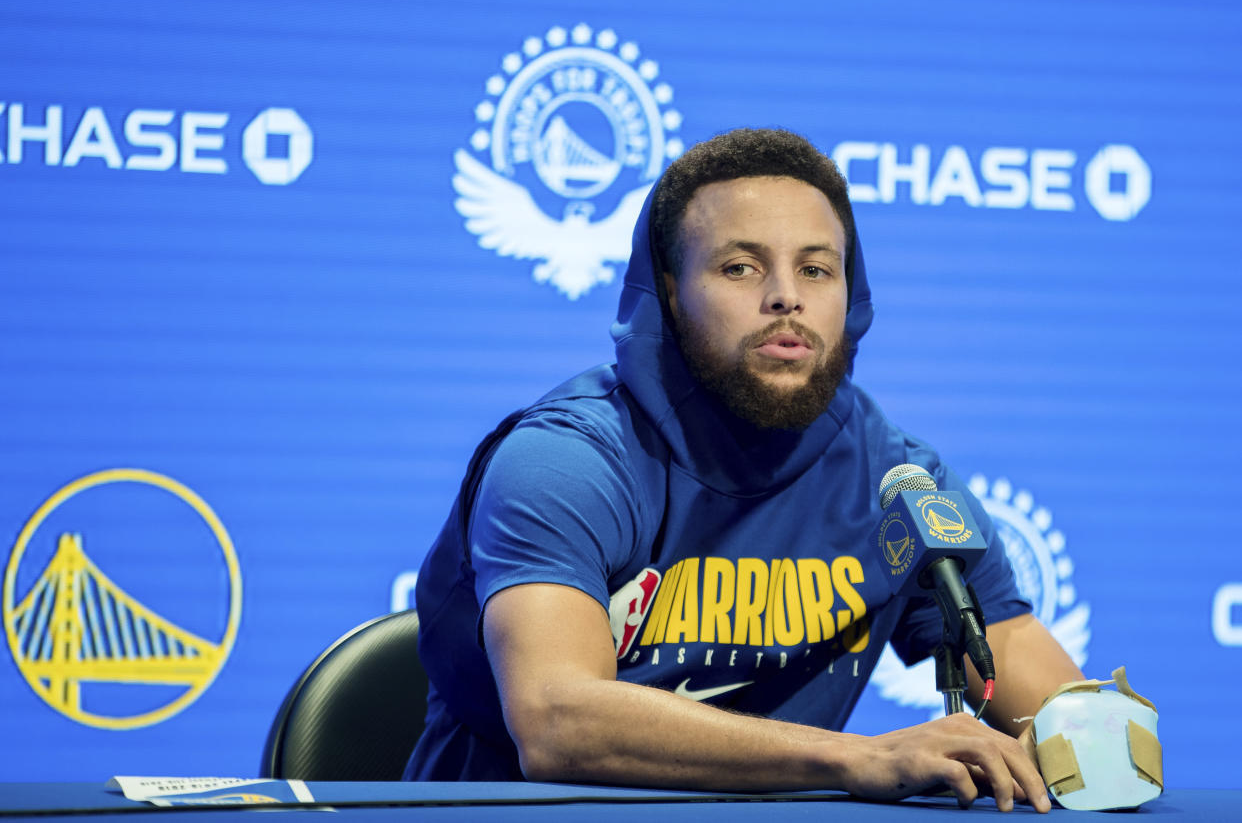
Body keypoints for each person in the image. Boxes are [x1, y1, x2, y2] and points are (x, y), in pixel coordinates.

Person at [406, 128, 1082, 812]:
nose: (786, 297)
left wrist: (1099, 739)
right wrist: (858, 757)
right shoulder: (571, 460)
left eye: (817, 269)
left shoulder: (897, 482)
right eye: (741, 268)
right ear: (670, 293)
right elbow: (557, 721)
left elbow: (1017, 655)